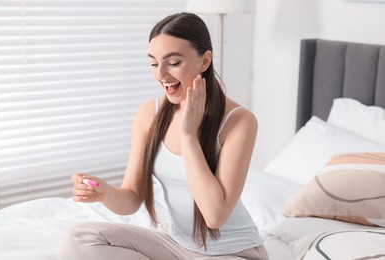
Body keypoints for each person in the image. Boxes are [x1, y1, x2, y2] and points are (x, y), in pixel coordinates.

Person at [60, 12, 269, 260]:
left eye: (173, 62)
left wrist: (189, 135)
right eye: (153, 62)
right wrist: (104, 193)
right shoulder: (150, 114)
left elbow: (214, 216)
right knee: (78, 238)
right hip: (177, 246)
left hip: (234, 252)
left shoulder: (238, 121)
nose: (161, 74)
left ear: (205, 61)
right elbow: (132, 199)